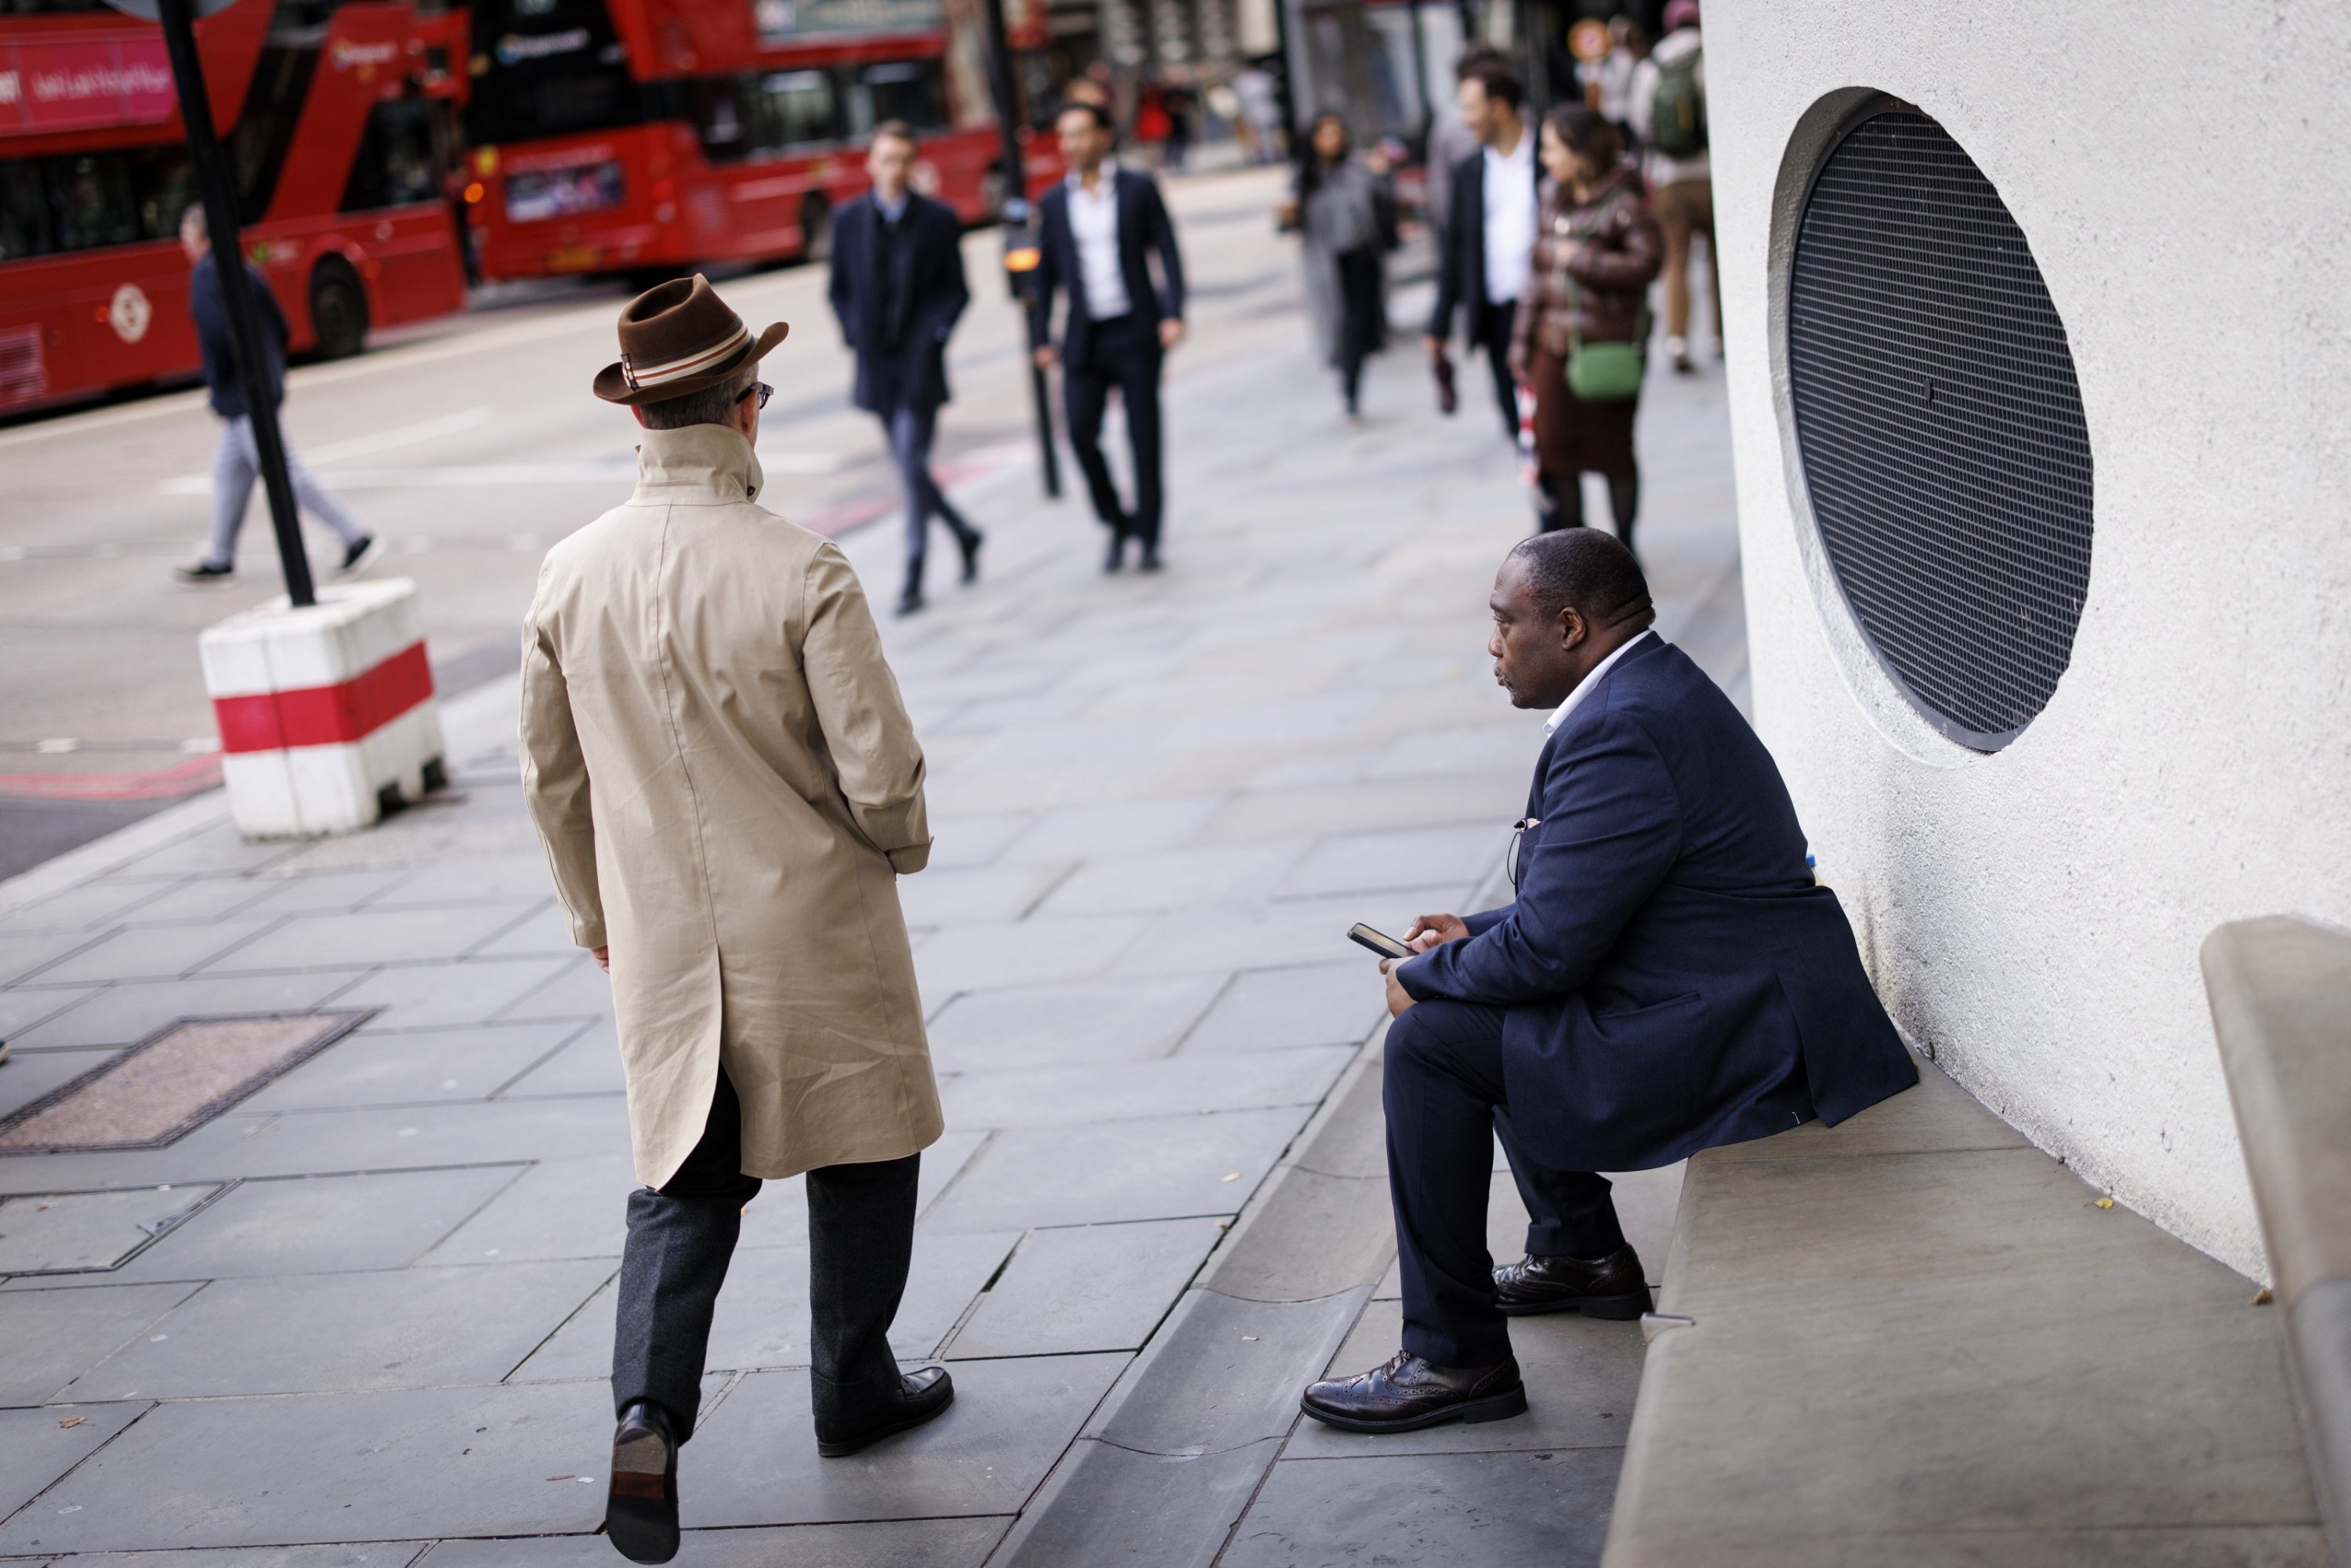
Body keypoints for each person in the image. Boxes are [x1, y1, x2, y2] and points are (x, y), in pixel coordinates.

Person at [1300, 531, 1918, 1435]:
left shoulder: (1621, 728)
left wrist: (1429, 980)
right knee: (1490, 996)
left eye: (1505, 624)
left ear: (1571, 626)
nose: (1492, 646)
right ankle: (1580, 1253)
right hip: (1736, 987)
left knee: (1435, 1043)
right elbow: (1593, 905)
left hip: (1753, 1028)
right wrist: (1471, 935)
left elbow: (1553, 953)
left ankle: (1453, 1356)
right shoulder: (1644, 689)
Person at [520, 276, 950, 1564]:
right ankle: (854, 1382)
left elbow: (552, 780)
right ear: (745, 410)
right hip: (814, 920)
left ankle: (649, 1409)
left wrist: (595, 913)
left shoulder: (569, 572)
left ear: (640, 417)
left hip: (660, 937)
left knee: (681, 1181)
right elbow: (880, 773)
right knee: (864, 1150)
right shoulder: (801, 567)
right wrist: (901, 846)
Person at [828, 119, 984, 617]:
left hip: (920, 365)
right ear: (871, 164)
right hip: (876, 366)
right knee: (908, 466)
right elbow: (839, 289)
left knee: (911, 464)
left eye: (903, 159)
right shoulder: (848, 220)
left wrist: (935, 336)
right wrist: (855, 334)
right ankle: (964, 532)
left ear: (914, 164)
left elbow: (957, 291)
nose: (894, 169)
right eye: (886, 159)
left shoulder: (938, 219)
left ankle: (913, 573)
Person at [172, 205, 377, 584]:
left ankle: (355, 535)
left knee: (285, 473)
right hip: (262, 387)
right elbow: (282, 325)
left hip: (242, 395)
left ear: (202, 237)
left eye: (186, 237)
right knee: (228, 472)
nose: (184, 246)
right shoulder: (245, 268)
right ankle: (220, 556)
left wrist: (220, 382)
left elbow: (215, 335)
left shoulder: (205, 275)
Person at [1031, 100, 1188, 573]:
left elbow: (1167, 249)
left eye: (1080, 134)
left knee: (1144, 438)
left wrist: (1173, 312)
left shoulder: (1139, 188)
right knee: (1079, 433)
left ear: (1103, 136)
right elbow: (1045, 276)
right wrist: (1042, 337)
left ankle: (1150, 536)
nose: (1071, 146)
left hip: (1136, 330)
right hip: (1085, 337)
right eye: (1064, 137)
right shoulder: (1054, 202)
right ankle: (1118, 522)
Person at [1511, 104, 1661, 552]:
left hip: (1605, 348)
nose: (1545, 158)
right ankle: (1577, 556)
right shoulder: (1550, 197)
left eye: (1553, 149)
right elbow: (1536, 279)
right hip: (1551, 349)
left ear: (1580, 153)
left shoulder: (1626, 202)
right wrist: (1520, 341)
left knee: (1614, 453)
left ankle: (1625, 549)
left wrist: (1579, 259)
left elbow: (1648, 263)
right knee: (1556, 457)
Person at [1425, 61, 1539, 441]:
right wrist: (1438, 325)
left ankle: (1559, 494)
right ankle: (1547, 497)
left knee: (1555, 426)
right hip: (1497, 316)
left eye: (1471, 107)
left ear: (1500, 107)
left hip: (1547, 311)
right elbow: (1455, 250)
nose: (1464, 119)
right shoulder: (1469, 171)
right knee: (1516, 425)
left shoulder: (1548, 159)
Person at [1283, 114, 1394, 420]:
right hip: (1328, 266)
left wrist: (1384, 175)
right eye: (1325, 134)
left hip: (1362, 260)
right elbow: (1286, 223)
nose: (1332, 139)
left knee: (1357, 329)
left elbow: (1384, 205)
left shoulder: (1358, 169)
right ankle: (1349, 386)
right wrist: (1288, 214)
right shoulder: (1303, 179)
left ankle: (1351, 384)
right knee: (1341, 328)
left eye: (1337, 133)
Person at [1628, 0, 1714, 373]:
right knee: (1717, 258)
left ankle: (1676, 338)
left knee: (1675, 260)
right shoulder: (1712, 57)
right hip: (1711, 175)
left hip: (1669, 180)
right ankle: (1721, 335)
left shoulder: (1651, 66)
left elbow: (1640, 122)